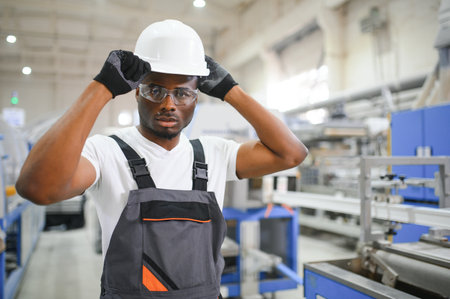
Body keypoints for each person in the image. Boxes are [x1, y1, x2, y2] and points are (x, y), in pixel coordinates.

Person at [16, 19, 308, 298]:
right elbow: (37, 188)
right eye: (155, 90)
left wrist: (232, 91)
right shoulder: (106, 151)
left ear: (198, 95)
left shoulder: (214, 154)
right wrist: (101, 88)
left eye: (182, 93)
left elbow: (291, 153)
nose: (169, 104)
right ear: (136, 93)